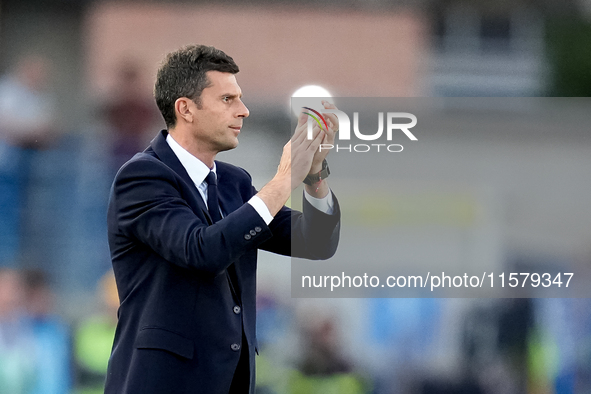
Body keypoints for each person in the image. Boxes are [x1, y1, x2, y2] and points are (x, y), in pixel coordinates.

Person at [105, 44, 341, 393]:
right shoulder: (142, 177)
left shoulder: (235, 182)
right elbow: (202, 251)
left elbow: (316, 242)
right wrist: (283, 180)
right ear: (185, 109)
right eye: (228, 99)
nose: (243, 111)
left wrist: (314, 176)